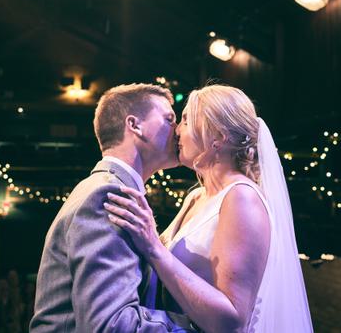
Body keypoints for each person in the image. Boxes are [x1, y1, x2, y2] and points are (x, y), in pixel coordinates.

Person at [105, 85, 314, 332]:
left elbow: (232, 321)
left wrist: (153, 247)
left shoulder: (241, 198)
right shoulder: (196, 196)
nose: (176, 130)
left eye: (184, 120)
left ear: (218, 137)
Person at [30, 83, 196, 332]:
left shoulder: (108, 187)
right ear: (134, 125)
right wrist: (201, 325)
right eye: (169, 119)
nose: (178, 130)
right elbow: (111, 325)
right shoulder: (107, 194)